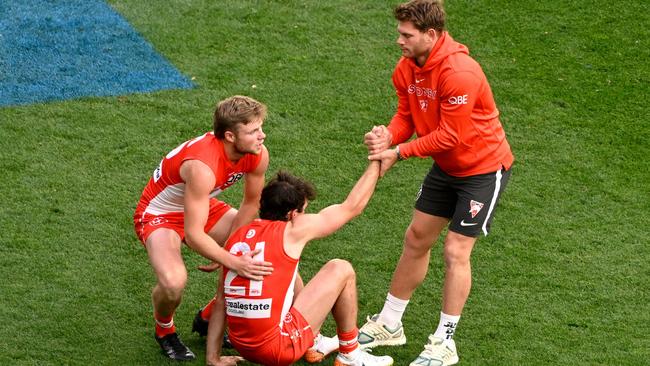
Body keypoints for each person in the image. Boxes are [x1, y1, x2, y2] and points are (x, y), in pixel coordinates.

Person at [359, 1, 514, 365]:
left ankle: (444, 343)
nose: (399, 40)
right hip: (448, 168)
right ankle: (390, 324)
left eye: (406, 35)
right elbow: (406, 116)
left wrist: (399, 153)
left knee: (456, 251)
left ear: (431, 35)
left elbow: (452, 136)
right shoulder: (408, 68)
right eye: (399, 33)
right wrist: (388, 136)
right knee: (416, 238)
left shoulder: (460, 72)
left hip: (481, 170)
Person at [205, 162, 394, 366]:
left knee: (289, 271)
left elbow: (221, 303)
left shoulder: (237, 238)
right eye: (303, 211)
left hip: (242, 345)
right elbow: (351, 207)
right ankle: (350, 354)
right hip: (276, 349)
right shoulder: (293, 230)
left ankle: (312, 342)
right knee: (340, 268)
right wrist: (376, 163)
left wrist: (213, 358)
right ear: (292, 214)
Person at [133, 95, 274, 360]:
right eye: (253, 131)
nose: (262, 136)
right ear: (230, 136)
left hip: (201, 205)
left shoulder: (256, 153)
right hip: (159, 214)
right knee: (174, 282)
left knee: (264, 249)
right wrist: (231, 260)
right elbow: (195, 235)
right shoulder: (202, 167)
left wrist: (232, 249)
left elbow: (251, 203)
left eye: (261, 127)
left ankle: (209, 317)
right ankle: (165, 329)